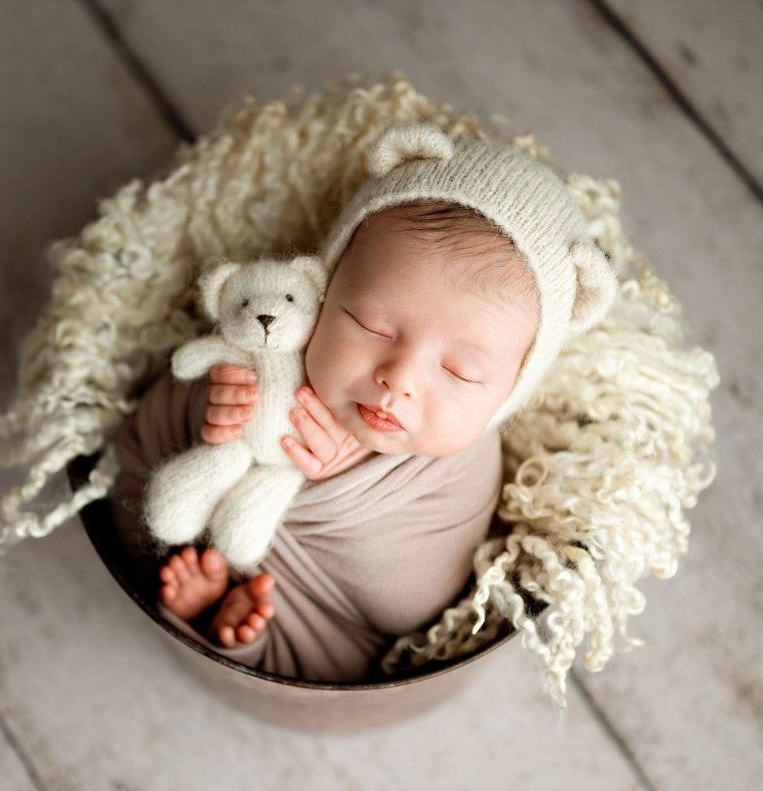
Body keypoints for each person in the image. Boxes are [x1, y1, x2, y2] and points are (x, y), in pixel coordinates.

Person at [108, 122, 617, 682]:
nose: (398, 379)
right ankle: (205, 609)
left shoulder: (463, 470)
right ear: (325, 287)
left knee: (328, 653)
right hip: (171, 526)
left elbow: (409, 608)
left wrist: (335, 484)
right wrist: (218, 410)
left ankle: (226, 627)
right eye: (369, 324)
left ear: (508, 392)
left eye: (459, 371)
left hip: (320, 620)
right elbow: (144, 427)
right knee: (147, 486)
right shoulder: (268, 339)